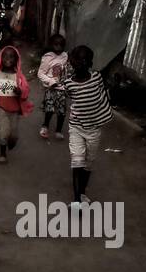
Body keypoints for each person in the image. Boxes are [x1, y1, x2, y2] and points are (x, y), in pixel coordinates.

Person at [63, 45, 113, 205]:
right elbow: (71, 97)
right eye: (78, 60)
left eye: (85, 60)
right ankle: (77, 199)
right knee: (77, 161)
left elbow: (102, 94)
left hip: (94, 129)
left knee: (88, 163)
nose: (81, 63)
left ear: (90, 62)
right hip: (76, 127)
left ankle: (82, 192)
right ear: (73, 62)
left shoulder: (97, 77)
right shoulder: (69, 83)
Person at [37, 34, 69, 138]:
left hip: (62, 89)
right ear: (51, 45)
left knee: (61, 111)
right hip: (51, 88)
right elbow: (40, 73)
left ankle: (58, 131)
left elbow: (66, 70)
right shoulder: (47, 58)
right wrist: (50, 81)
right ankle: (45, 126)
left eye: (61, 45)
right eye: (56, 45)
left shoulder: (65, 56)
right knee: (49, 109)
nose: (58, 48)